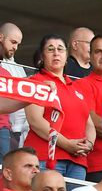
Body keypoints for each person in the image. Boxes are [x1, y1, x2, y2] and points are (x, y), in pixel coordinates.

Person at [25, 34, 93, 179]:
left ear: (66, 56)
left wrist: (89, 144)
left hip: (78, 161)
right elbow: (36, 121)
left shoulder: (76, 87)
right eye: (50, 49)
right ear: (42, 56)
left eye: (60, 49)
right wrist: (68, 144)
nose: (56, 53)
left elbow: (89, 123)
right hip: (47, 157)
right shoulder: (37, 81)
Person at [75, 34, 102, 181]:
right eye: (98, 51)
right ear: (90, 56)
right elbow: (94, 123)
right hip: (99, 165)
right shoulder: (81, 84)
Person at [0, 23, 29, 157]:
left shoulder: (7, 71)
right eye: (13, 42)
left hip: (4, 129)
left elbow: (7, 105)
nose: (15, 47)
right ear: (1, 37)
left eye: (18, 44)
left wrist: (33, 97)